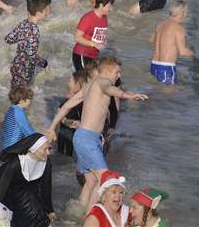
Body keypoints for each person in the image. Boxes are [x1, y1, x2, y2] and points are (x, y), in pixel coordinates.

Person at [49, 56, 147, 212]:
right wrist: (127, 95)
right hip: (88, 139)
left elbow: (66, 106)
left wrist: (51, 127)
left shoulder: (89, 86)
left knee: (91, 181)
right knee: (105, 181)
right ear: (107, 71)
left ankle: (79, 214)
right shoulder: (103, 82)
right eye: (117, 72)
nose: (119, 75)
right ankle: (91, 217)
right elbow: (110, 89)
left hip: (83, 137)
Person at [0, 133, 56, 227]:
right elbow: (1, 187)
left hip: (28, 189)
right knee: (14, 217)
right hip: (8, 189)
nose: (48, 153)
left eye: (49, 149)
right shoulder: (15, 164)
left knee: (37, 214)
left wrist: (49, 210)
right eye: (45, 149)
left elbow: (46, 187)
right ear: (33, 149)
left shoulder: (47, 163)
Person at [149, 1, 194, 87]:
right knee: (168, 94)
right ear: (181, 13)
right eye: (186, 11)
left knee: (158, 93)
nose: (186, 14)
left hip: (154, 64)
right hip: (166, 67)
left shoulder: (160, 24)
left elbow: (151, 40)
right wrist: (195, 55)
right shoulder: (178, 28)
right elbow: (183, 51)